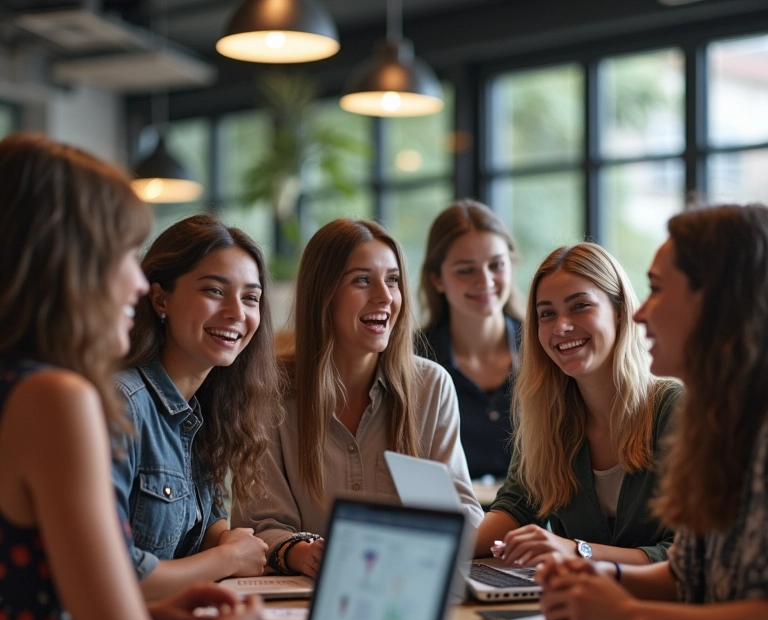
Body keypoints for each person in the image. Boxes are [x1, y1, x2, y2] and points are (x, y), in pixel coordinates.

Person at [0, 133, 267, 620]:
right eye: (122, 254)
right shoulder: (55, 398)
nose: (133, 281)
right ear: (63, 260)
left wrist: (143, 615)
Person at [537, 205, 768, 620]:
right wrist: (603, 579)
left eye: (658, 290)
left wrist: (628, 616)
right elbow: (686, 575)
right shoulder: (720, 422)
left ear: (718, 300)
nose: (640, 314)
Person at [233, 218, 483, 577]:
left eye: (393, 280)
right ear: (324, 293)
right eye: (362, 280)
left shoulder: (431, 385)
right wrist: (302, 553)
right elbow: (259, 525)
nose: (385, 297)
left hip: (406, 581)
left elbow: (464, 513)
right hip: (305, 594)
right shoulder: (267, 392)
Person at [113, 214, 283, 600]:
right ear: (160, 298)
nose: (237, 313)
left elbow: (202, 526)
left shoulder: (205, 410)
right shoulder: (122, 405)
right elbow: (116, 576)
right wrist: (227, 558)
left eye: (250, 298)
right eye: (214, 291)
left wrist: (228, 539)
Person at [476, 242, 679, 563]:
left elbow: (687, 556)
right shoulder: (547, 416)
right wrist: (439, 549)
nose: (561, 326)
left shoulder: (673, 409)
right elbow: (515, 508)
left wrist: (577, 551)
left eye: (580, 306)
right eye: (547, 314)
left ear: (620, 311)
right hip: (579, 604)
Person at [418, 200, 525, 480]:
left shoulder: (545, 347)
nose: (486, 280)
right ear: (436, 279)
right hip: (452, 519)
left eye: (496, 265)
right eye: (466, 270)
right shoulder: (411, 360)